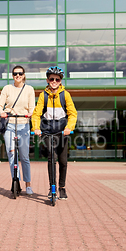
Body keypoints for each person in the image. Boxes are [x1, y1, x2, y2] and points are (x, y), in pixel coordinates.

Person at [31, 66, 77, 200]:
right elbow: (36, 114)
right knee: (51, 157)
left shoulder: (65, 95)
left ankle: (62, 187)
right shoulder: (43, 95)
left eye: (57, 79)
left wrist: (69, 127)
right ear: (47, 80)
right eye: (52, 79)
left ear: (61, 81)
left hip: (62, 132)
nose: (54, 81)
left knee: (63, 161)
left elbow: (72, 113)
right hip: (47, 131)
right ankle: (52, 187)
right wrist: (36, 128)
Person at [0, 65, 36, 195]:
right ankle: (16, 180)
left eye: (20, 73)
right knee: (11, 154)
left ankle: (28, 184)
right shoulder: (7, 88)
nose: (17, 76)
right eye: (15, 74)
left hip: (24, 124)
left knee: (24, 156)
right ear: (12, 75)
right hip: (10, 125)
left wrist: (30, 113)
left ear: (24, 75)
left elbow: (32, 107)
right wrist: (1, 112)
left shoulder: (29, 89)